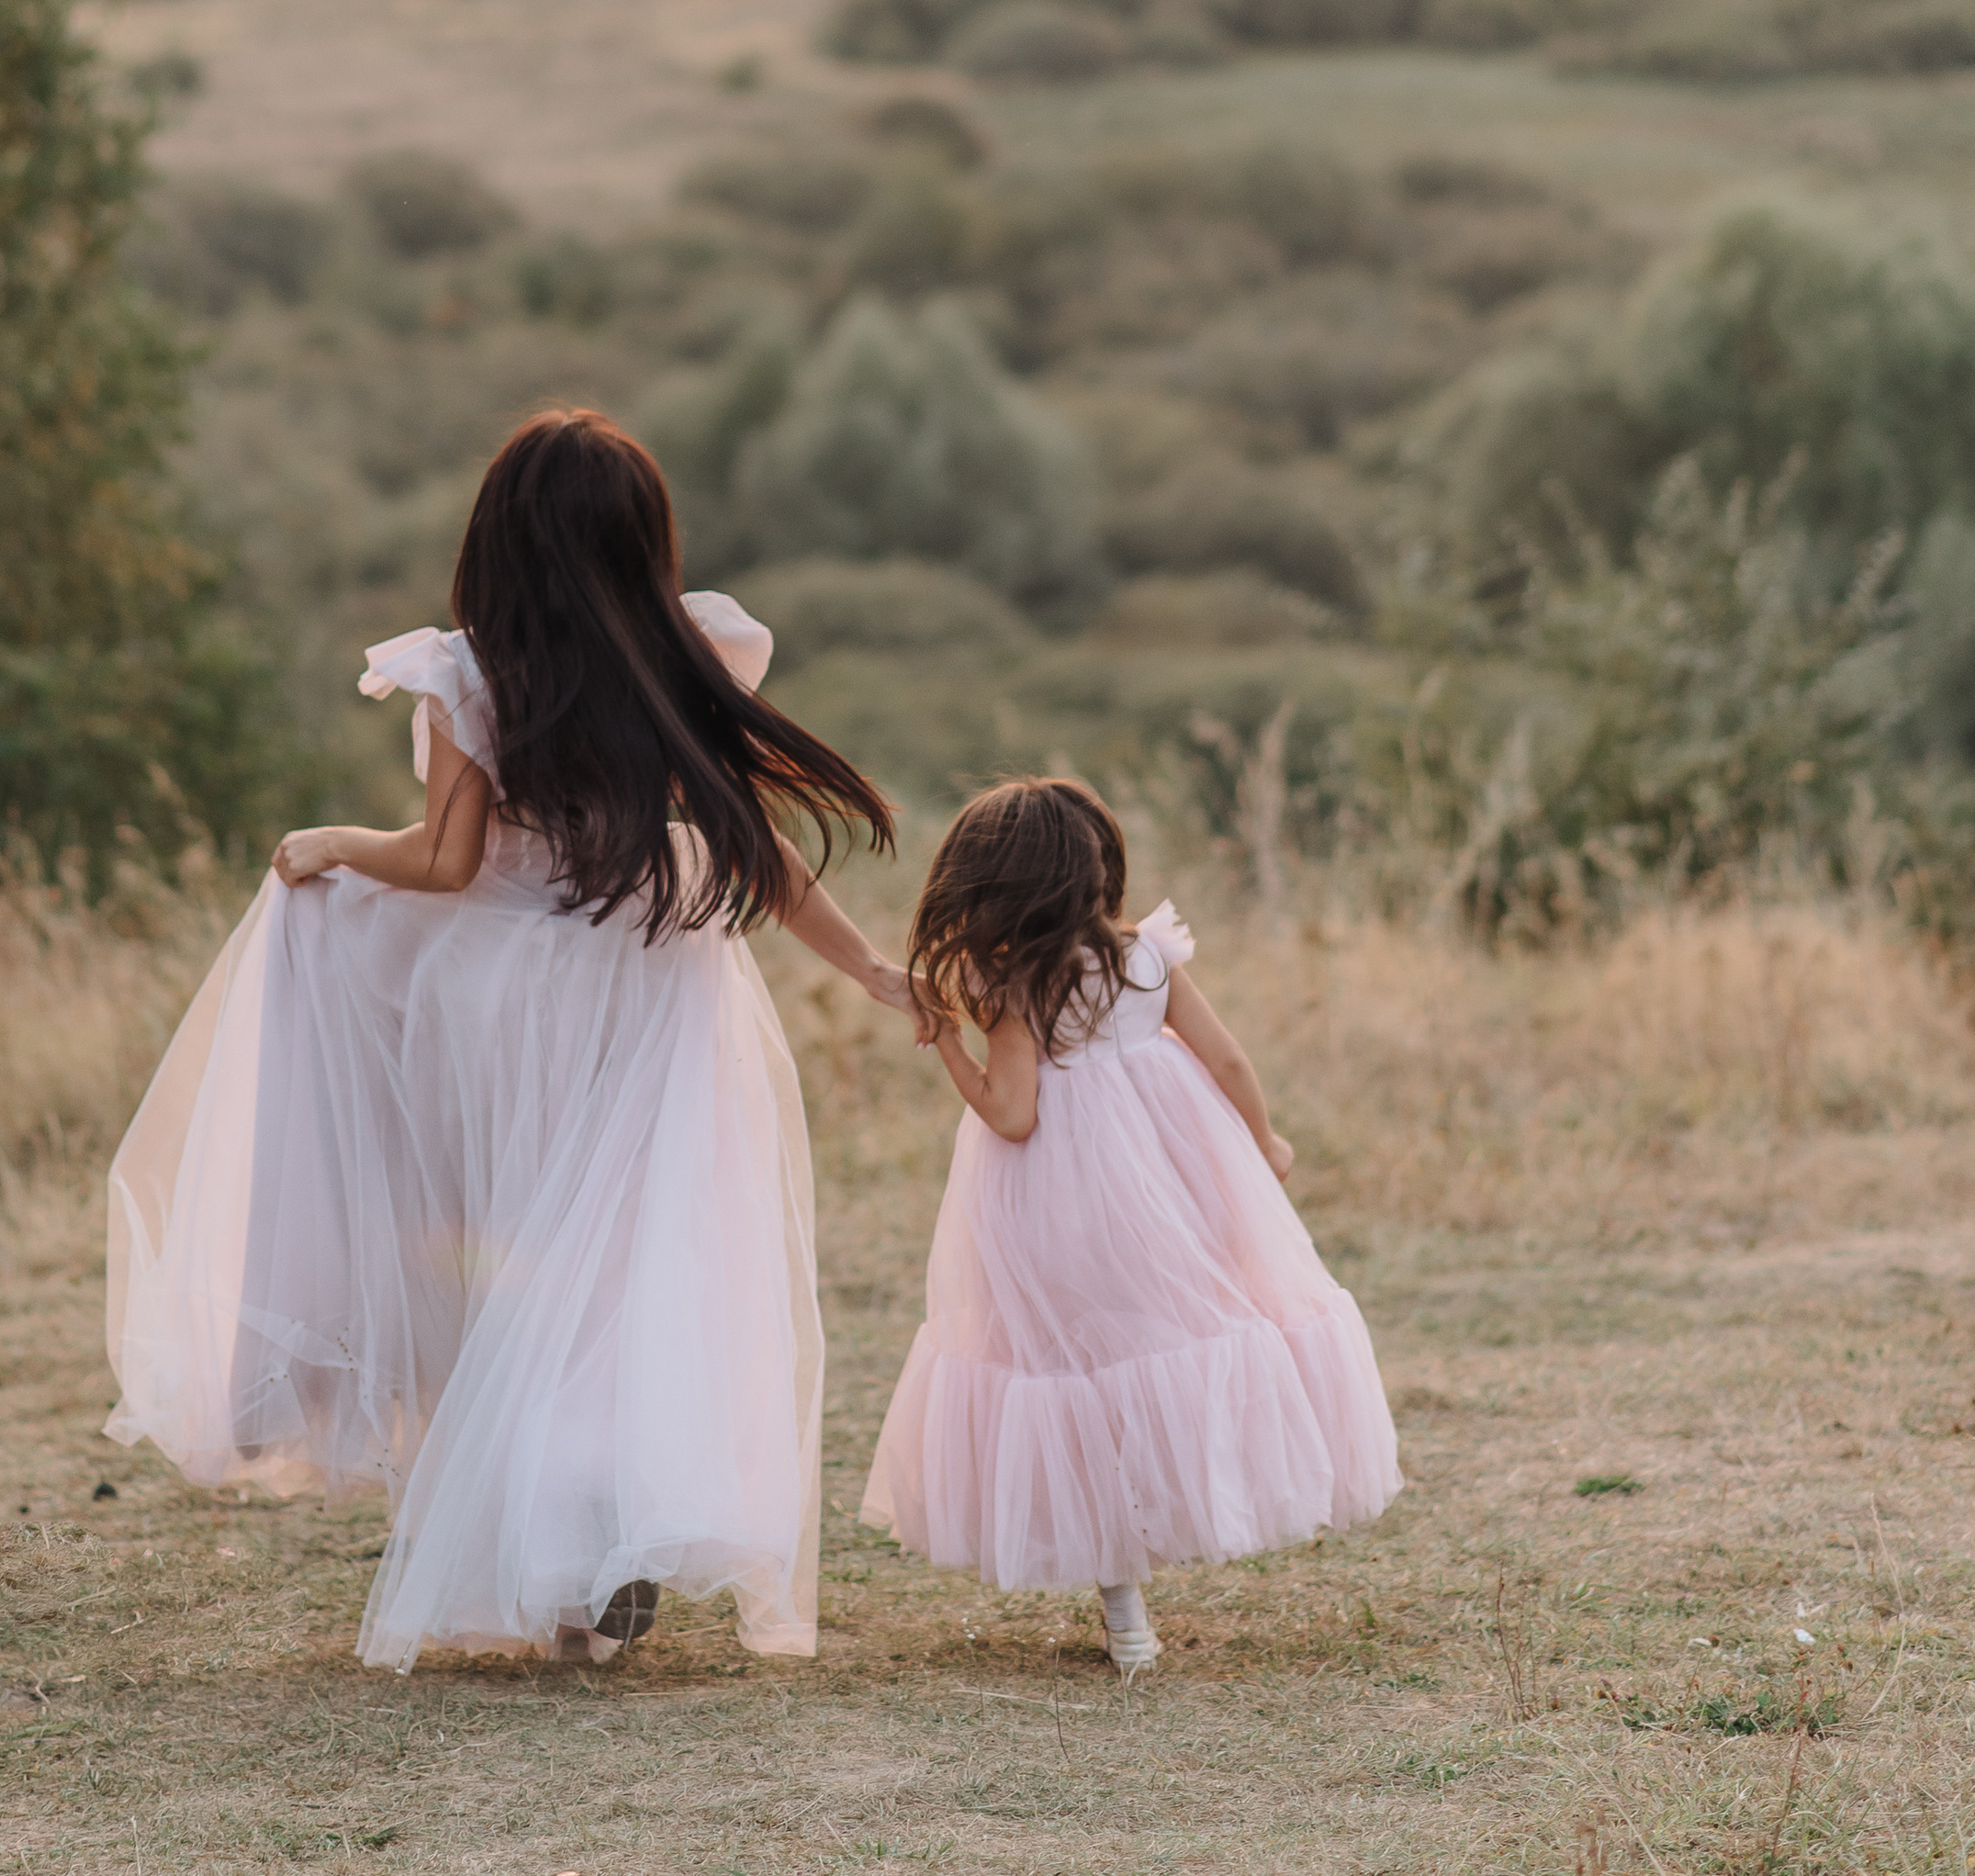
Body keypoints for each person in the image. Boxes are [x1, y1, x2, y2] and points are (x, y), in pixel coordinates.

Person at [106, 408, 910, 1674]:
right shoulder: (683, 652)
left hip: (503, 1003)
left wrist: (330, 842)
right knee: (630, 1272)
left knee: (513, 1277)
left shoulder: (473, 673)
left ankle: (566, 1584)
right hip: (655, 990)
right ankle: (608, 1543)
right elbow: (753, 850)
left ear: (501, 541)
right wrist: (871, 964)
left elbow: (443, 859)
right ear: (643, 541)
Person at [863, 777, 1399, 1676]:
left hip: (1055, 1204)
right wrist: (1262, 1143)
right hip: (1173, 1189)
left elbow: (1012, 1116)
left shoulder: (1005, 979)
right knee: (1180, 1340)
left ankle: (1126, 1612)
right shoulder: (1146, 955)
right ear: (1094, 866)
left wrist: (947, 1040)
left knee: (1074, 1364)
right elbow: (1225, 1055)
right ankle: (1196, 1508)